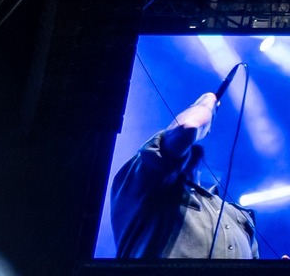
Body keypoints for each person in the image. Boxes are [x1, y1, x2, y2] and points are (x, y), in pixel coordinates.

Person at [108, 84, 259, 259]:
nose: (187, 153)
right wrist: (207, 102)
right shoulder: (147, 182)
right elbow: (187, 127)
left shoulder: (239, 216)